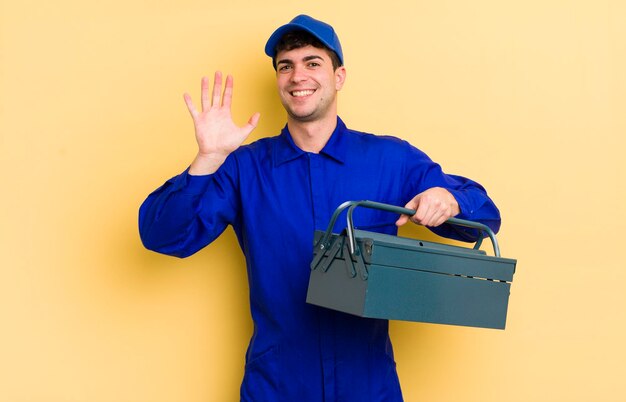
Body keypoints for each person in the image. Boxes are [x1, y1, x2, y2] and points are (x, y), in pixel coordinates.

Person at [139, 14, 501, 402]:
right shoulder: (244, 168)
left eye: (312, 63)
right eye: (286, 66)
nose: (298, 76)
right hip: (277, 386)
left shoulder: (390, 159)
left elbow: (485, 217)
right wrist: (207, 159)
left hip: (369, 386)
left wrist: (450, 199)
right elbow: (163, 235)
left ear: (339, 76)